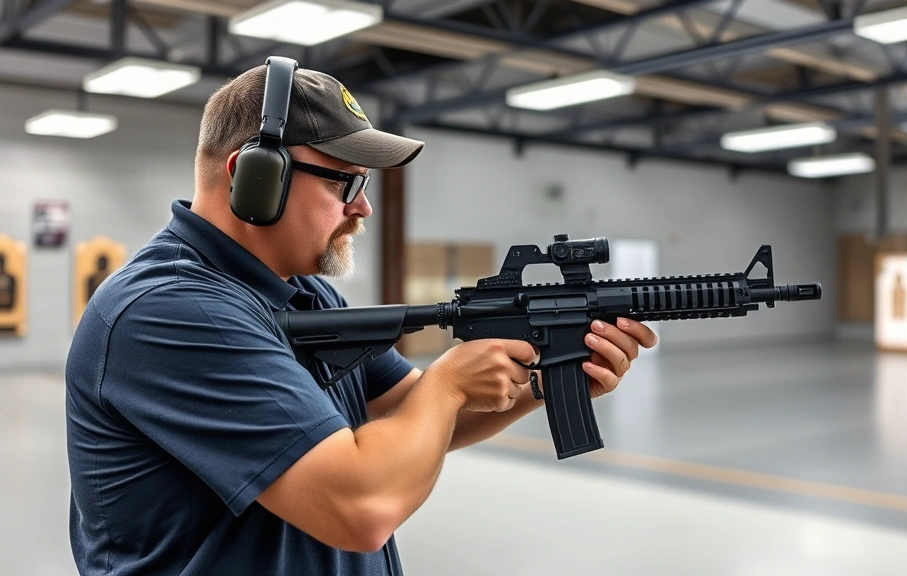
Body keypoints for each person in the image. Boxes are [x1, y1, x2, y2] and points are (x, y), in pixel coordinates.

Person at [65, 61, 658, 576]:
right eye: (343, 181)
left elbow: (409, 414)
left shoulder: (306, 294)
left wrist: (547, 379)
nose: (363, 206)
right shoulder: (169, 311)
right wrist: (449, 382)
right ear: (252, 175)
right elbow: (361, 507)